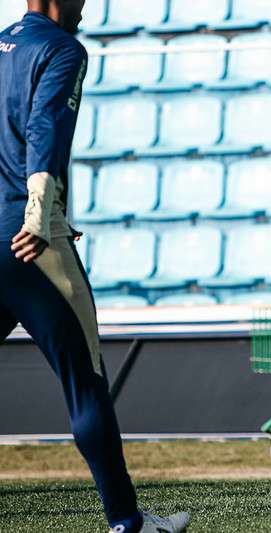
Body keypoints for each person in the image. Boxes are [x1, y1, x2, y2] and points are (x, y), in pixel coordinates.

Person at [0, 2, 190, 531]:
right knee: (85, 381)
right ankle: (128, 522)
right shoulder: (62, 48)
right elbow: (45, 129)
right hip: (27, 239)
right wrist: (41, 215)